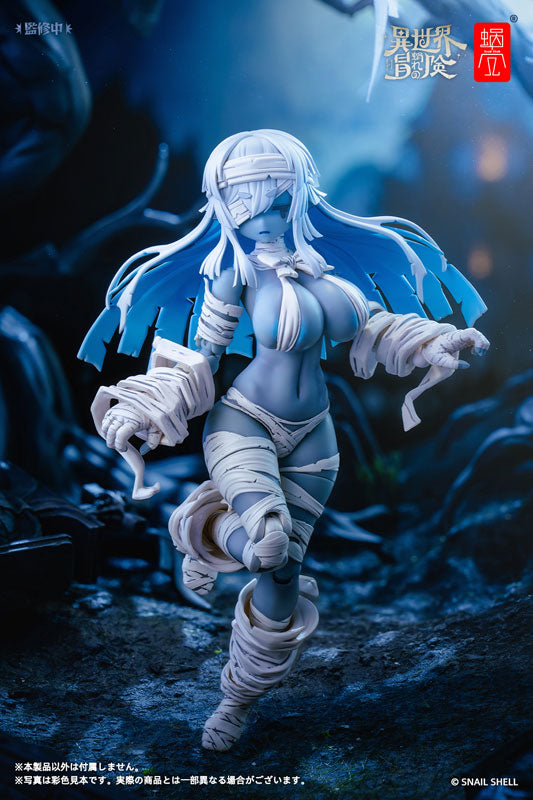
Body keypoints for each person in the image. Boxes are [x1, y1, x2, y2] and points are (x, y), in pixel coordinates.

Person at [79, 129, 489, 751]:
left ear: (299, 197)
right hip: (245, 421)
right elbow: (200, 358)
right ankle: (204, 532)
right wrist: (150, 403)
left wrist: (435, 341)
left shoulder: (326, 270)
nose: (264, 217)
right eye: (248, 205)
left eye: (277, 201)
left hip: (315, 435)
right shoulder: (234, 275)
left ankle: (236, 698)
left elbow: (373, 330)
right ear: (227, 209)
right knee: (267, 545)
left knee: (282, 572)